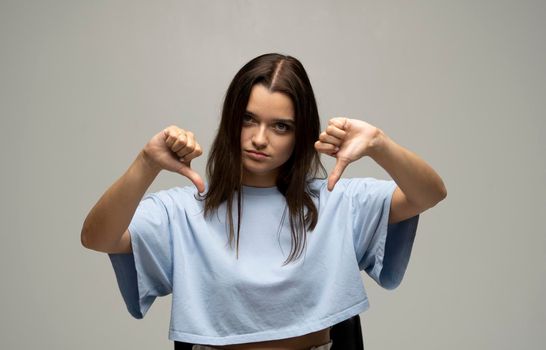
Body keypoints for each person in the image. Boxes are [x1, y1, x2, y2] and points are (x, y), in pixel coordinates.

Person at [81, 53, 446, 350]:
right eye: (248, 120)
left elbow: (428, 194)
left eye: (280, 126)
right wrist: (146, 162)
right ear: (230, 121)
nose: (259, 138)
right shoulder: (184, 210)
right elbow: (98, 238)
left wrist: (379, 142)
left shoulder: (337, 200)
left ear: (300, 133)